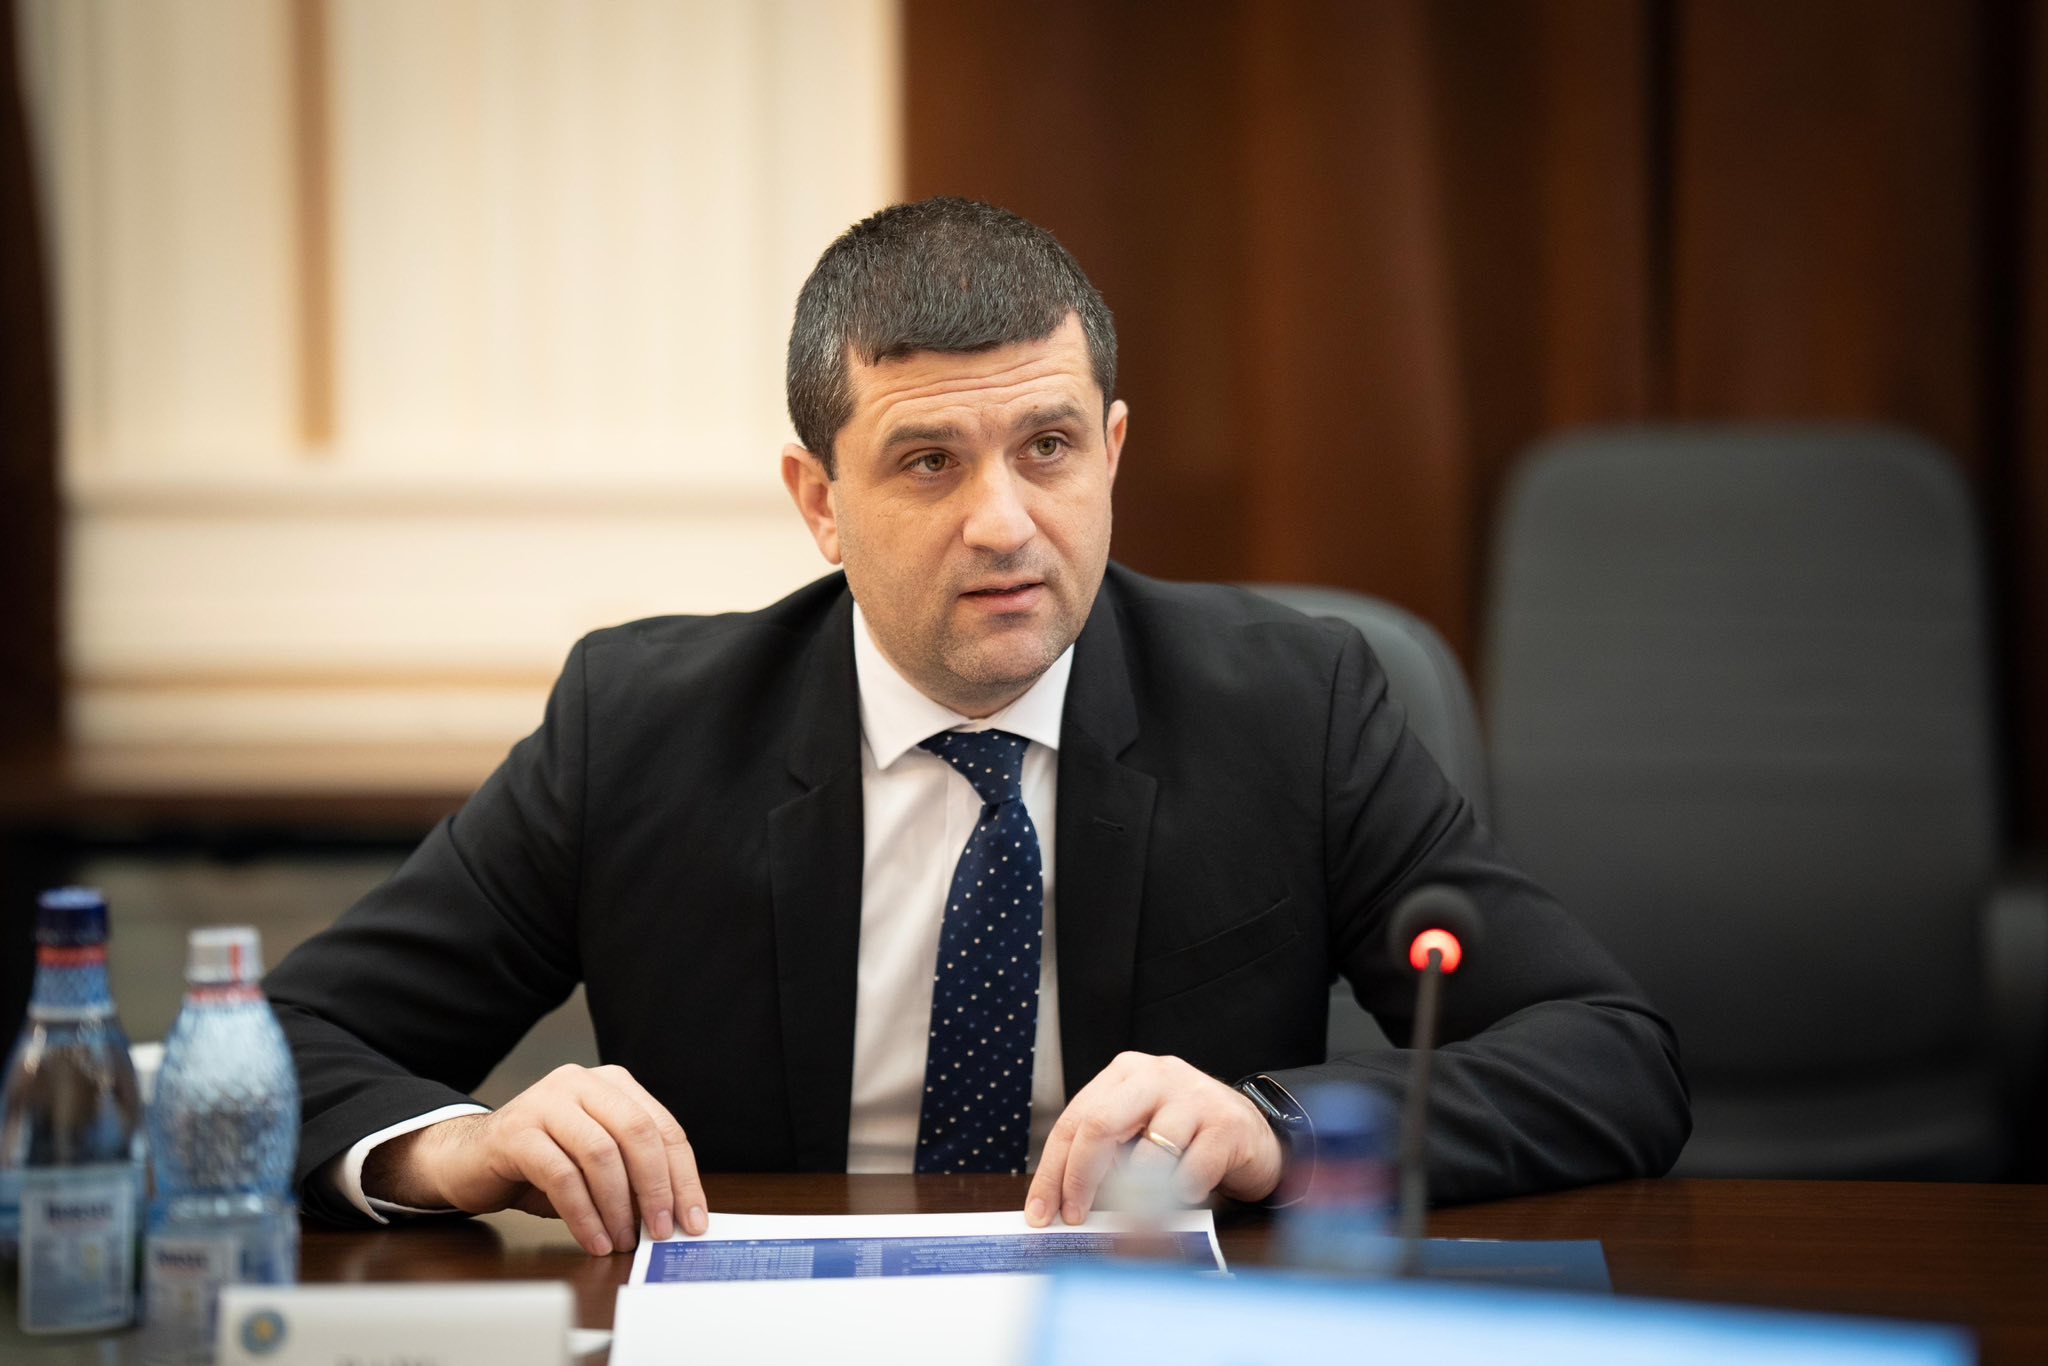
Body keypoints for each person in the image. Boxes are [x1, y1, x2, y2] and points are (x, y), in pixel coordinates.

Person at [266, 197, 1689, 1258]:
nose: (1004, 522)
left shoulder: (1290, 706)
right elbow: (279, 1046)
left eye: (1048, 448)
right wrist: (454, 1149)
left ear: (1112, 452)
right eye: (929, 462)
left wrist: (1274, 1125)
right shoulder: (639, 730)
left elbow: (1605, 1052)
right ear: (821, 502)